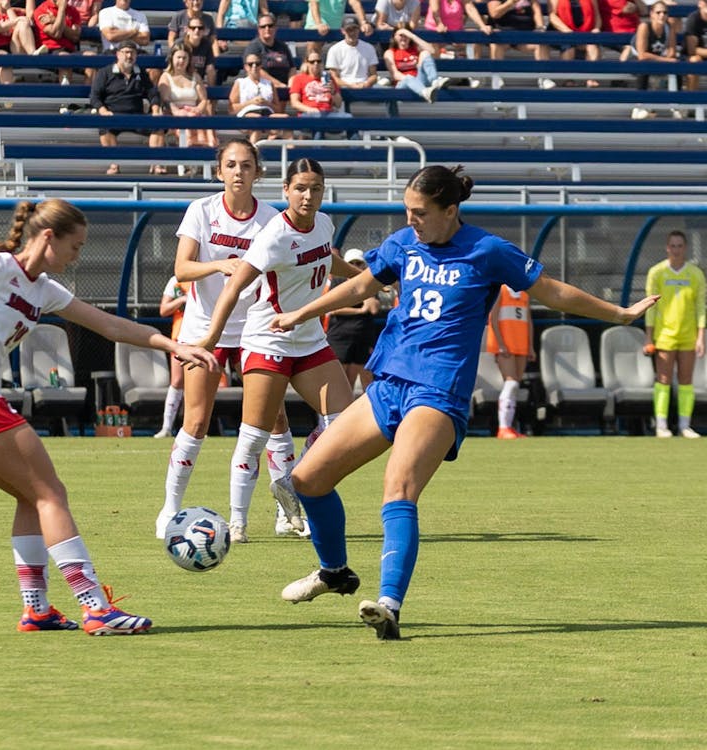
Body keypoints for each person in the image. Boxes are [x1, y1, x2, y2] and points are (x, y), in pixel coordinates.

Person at [269, 164, 659, 640]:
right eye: (407, 211)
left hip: (438, 392)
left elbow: (550, 290)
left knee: (398, 489)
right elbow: (358, 286)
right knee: (308, 479)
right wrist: (300, 314)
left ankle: (388, 604)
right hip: (389, 384)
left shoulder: (487, 250)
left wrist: (618, 312)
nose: (411, 220)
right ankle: (334, 573)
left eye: (420, 213)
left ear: (450, 210)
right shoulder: (403, 244)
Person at [0, 199, 217, 636]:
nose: (76, 257)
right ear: (47, 238)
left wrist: (175, 347)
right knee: (51, 495)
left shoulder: (43, 288)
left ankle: (36, 609)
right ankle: (96, 607)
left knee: (32, 496)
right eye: (74, 247)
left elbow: (111, 326)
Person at [195, 157, 361, 543]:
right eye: (300, 188)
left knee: (343, 423)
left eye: (315, 188)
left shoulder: (324, 222)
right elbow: (235, 286)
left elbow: (326, 260)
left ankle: (289, 481)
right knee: (254, 435)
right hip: (267, 339)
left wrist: (365, 279)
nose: (308, 195)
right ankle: (237, 522)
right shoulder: (273, 236)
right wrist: (210, 337)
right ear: (286, 190)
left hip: (309, 340)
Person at [155, 139, 301, 542]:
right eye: (231, 165)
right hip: (204, 328)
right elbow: (182, 269)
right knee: (197, 420)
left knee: (275, 420)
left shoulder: (273, 217)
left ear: (258, 172)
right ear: (219, 171)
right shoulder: (201, 211)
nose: (239, 172)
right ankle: (170, 508)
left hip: (256, 327)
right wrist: (220, 263)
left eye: (247, 165)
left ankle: (284, 511)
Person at [644, 229, 706, 438]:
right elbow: (650, 308)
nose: (676, 250)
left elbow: (701, 308)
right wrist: (648, 337)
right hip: (664, 336)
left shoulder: (696, 274)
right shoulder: (657, 272)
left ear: (685, 248)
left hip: (688, 336)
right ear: (667, 247)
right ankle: (661, 426)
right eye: (673, 246)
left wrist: (700, 337)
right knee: (663, 379)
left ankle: (684, 425)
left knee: (686, 380)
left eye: (680, 246)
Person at [89, 40, 165, 175]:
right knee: (103, 126)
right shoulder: (105, 72)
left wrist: (155, 109)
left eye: (132, 53)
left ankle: (156, 163)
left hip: (137, 116)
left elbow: (153, 94)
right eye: (126, 52)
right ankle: (114, 165)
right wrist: (104, 111)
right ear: (118, 54)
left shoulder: (140, 72)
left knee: (159, 125)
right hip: (113, 116)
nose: (129, 56)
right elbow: (95, 97)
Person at [325, 248, 380, 393]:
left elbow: (373, 308)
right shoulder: (338, 282)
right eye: (352, 263)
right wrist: (360, 310)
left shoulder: (371, 284)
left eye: (359, 263)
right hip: (340, 337)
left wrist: (363, 288)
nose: (356, 266)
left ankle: (369, 412)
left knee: (367, 376)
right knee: (342, 379)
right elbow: (334, 308)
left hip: (363, 337)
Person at [485, 284, 535, 438]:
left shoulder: (524, 293)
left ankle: (509, 427)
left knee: (515, 386)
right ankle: (503, 427)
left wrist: (530, 347)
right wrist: (500, 344)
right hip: (505, 345)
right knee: (511, 382)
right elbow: (493, 318)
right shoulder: (501, 290)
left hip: (520, 344)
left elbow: (528, 321)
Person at [158, 43, 217, 149]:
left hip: (194, 113)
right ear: (172, 58)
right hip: (174, 115)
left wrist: (198, 109)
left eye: (184, 58)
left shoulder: (195, 76)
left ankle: (204, 158)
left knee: (203, 127)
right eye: (178, 57)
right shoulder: (166, 77)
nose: (181, 61)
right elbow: (165, 99)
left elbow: (203, 100)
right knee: (185, 128)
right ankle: (187, 160)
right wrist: (177, 111)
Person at [487, 0, 555, 90]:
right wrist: (510, 3)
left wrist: (540, 27)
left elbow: (536, 11)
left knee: (541, 42)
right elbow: (494, 14)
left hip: (525, 35)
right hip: (503, 35)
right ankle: (497, 76)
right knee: (495, 44)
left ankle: (543, 77)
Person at [155, 275, 190, 438]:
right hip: (180, 337)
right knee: (177, 381)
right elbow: (164, 310)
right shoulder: (176, 281)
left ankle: (193, 428)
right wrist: (181, 300)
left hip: (202, 337)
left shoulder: (209, 277)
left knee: (197, 384)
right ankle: (166, 427)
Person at [628, 2, 677, 120]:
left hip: (656, 59)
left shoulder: (668, 27)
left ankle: (676, 106)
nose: (662, 15)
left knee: (677, 66)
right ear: (651, 14)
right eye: (658, 12)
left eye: (665, 12)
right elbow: (642, 54)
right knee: (644, 66)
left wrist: (669, 58)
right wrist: (665, 59)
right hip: (635, 59)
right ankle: (638, 107)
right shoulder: (644, 27)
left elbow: (672, 49)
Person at [289, 53, 356, 137]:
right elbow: (294, 103)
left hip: (328, 114)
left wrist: (333, 92)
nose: (316, 64)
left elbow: (338, 104)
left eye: (318, 61)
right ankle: (317, 149)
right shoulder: (299, 78)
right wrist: (310, 109)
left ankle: (356, 149)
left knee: (349, 118)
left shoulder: (329, 79)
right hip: (307, 115)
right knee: (318, 117)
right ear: (307, 63)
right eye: (312, 62)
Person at [228, 52, 291, 142]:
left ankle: (290, 152)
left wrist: (266, 103)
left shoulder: (269, 83)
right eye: (250, 64)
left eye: (257, 64)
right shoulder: (240, 82)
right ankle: (254, 149)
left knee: (286, 119)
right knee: (256, 120)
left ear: (260, 66)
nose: (254, 66)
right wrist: (251, 102)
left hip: (267, 113)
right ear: (246, 67)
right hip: (247, 114)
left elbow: (278, 108)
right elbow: (231, 108)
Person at [383, 26, 452, 104]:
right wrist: (412, 80)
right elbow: (395, 75)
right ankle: (425, 92)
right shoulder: (390, 52)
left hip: (420, 81)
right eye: (401, 35)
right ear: (394, 37)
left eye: (406, 35)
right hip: (403, 85)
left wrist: (412, 36)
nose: (404, 38)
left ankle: (434, 81)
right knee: (409, 78)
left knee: (425, 53)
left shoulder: (416, 49)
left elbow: (432, 51)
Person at [243, 13, 296, 113]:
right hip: (264, 88)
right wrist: (278, 84)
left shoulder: (282, 46)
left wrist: (291, 85)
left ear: (275, 28)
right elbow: (255, 69)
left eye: (270, 26)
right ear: (258, 29)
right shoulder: (254, 47)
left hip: (283, 88)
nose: (267, 28)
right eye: (263, 26)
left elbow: (292, 68)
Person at [548, 0, 603, 88]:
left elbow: (597, 15)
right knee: (568, 45)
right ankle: (569, 79)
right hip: (564, 31)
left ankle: (591, 79)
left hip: (586, 31)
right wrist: (567, 31)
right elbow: (552, 16)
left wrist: (596, 28)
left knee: (592, 45)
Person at [0, 0, 36, 84]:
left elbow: (22, 25)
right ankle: (7, 93)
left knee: (22, 24)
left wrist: (9, 9)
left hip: (13, 47)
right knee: (4, 58)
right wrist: (15, 21)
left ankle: (34, 55)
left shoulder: (15, 13)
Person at [324, 15, 385, 91]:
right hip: (343, 89)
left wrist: (365, 84)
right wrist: (349, 85)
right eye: (349, 30)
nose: (352, 32)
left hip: (365, 87)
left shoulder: (369, 48)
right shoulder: (334, 50)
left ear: (359, 29)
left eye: (354, 29)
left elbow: (373, 75)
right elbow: (334, 77)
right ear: (343, 31)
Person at [33, 0, 83, 83]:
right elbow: (56, 33)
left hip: (70, 50)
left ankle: (91, 95)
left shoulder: (73, 11)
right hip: (49, 50)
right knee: (65, 58)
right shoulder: (41, 10)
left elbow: (75, 37)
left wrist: (54, 20)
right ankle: (65, 93)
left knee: (92, 57)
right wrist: (62, 9)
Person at [305, 0, 373, 56]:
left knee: (353, 35)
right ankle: (308, 70)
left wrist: (364, 22)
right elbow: (313, 4)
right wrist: (319, 24)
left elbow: (355, 3)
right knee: (313, 51)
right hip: (316, 22)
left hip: (336, 26)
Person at [684, 0, 707, 91]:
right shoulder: (694, 19)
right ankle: (691, 100)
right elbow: (692, 50)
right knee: (695, 61)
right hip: (693, 56)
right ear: (700, 3)